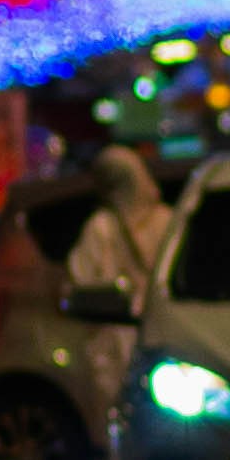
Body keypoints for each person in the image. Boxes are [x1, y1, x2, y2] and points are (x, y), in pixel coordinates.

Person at [65, 143, 165, 387]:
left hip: (120, 353)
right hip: (160, 342)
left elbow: (82, 283)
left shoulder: (101, 228)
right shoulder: (167, 220)